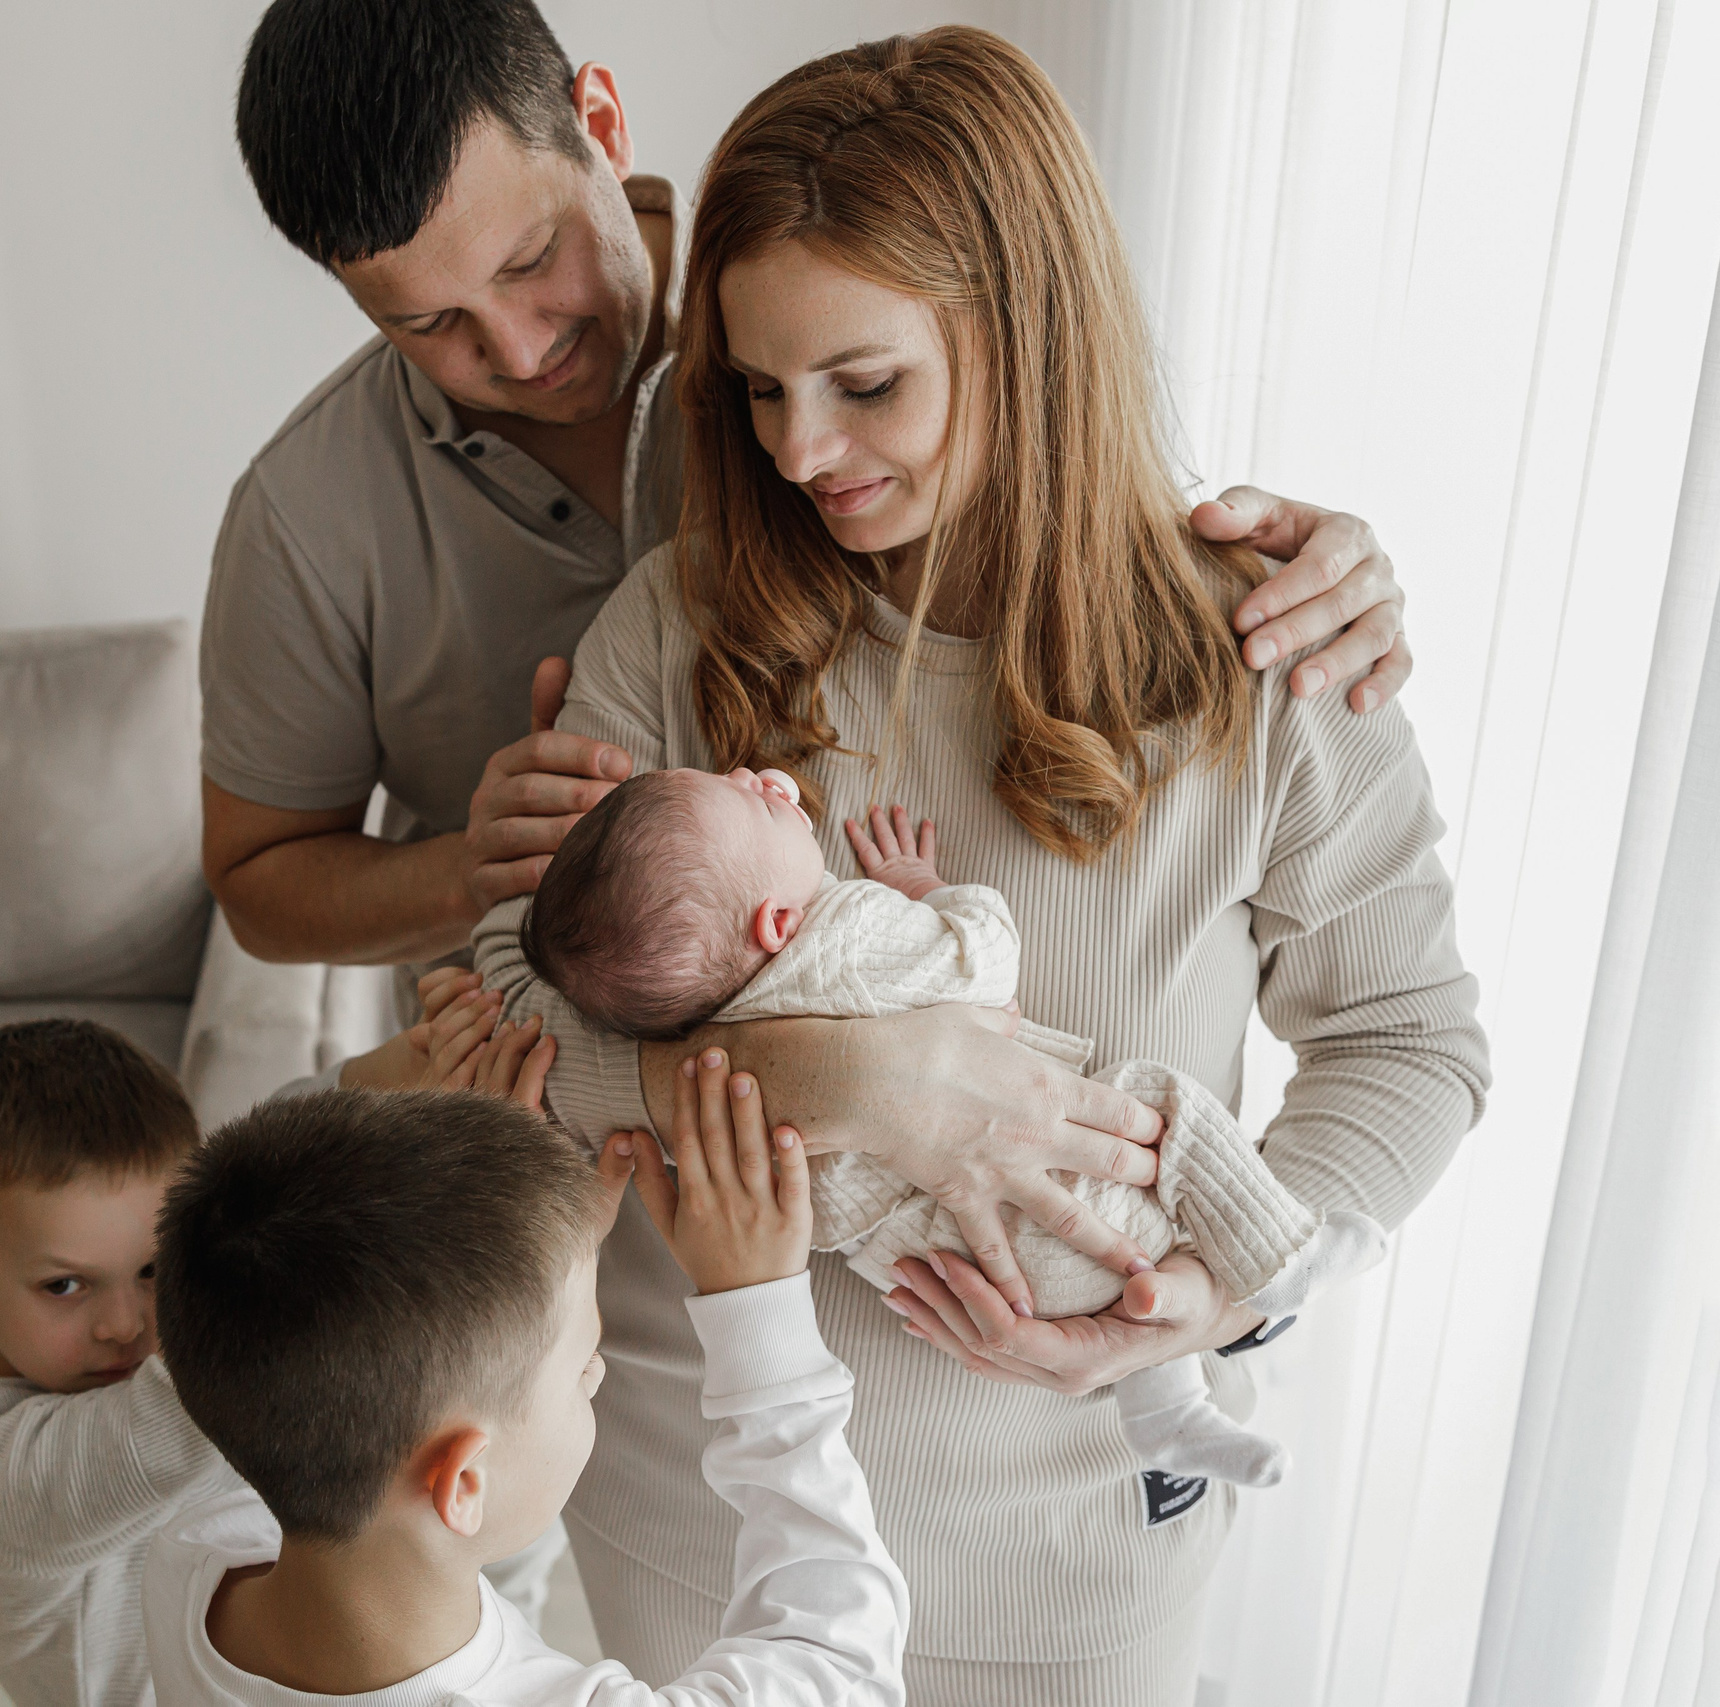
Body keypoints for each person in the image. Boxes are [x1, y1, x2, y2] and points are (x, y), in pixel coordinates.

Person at [472, 28, 1488, 1702]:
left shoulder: (1268, 645)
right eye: (756, 389)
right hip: (700, 1526)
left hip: (1069, 1545)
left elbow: (1411, 1041)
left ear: (1028, 335)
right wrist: (876, 1078)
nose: (800, 452)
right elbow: (513, 1032)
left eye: (864, 383)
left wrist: (1211, 1289)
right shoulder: (680, 626)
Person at [206, 0, 1415, 1335]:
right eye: (428, 321)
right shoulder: (324, 521)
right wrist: (851, 1070)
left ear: (600, 125)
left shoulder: (788, 287)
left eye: (535, 260)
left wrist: (1228, 1296)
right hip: (622, 1296)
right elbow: (324, 910)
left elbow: (1065, 499)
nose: (516, 347)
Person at [517, 764, 1388, 1488]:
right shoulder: (846, 930)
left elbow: (548, 1045)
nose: (758, 777)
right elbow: (984, 957)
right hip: (1069, 1207)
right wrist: (925, 889)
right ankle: (1281, 1261)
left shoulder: (707, 1034)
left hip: (969, 1282)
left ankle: (1168, 1416)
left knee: (1141, 1293)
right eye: (753, 800)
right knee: (1161, 1100)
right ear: (778, 923)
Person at [144, 1059, 909, 1705]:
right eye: (582, 1366)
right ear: (463, 1482)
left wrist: (526, 1264)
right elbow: (837, 1659)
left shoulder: (189, 1566)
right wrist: (760, 1316)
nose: (598, 1369)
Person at [0, 1020, 235, 1707]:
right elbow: (154, 1432)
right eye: (65, 1285)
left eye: (156, 1267)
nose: (125, 1323)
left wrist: (385, 1079)